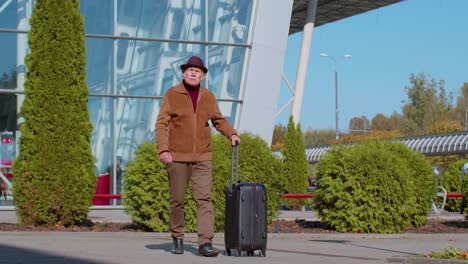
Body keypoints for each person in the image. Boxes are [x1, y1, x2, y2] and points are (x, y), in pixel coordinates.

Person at [155, 56, 240, 257]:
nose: (193, 73)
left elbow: (219, 120)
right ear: (184, 73)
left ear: (202, 76)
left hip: (203, 157)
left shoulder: (208, 97)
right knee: (177, 200)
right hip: (177, 157)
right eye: (190, 70)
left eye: (197, 71)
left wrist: (232, 133)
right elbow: (161, 124)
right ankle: (177, 237)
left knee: (204, 199)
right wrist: (163, 149)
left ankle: (205, 243)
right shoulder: (172, 94)